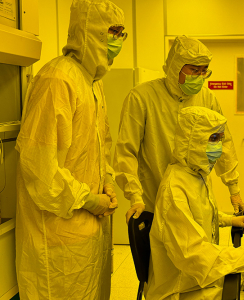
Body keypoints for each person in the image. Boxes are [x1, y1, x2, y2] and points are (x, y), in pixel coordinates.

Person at [15, 0, 126, 299]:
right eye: (111, 33)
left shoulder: (93, 83)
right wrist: (90, 200)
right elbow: (39, 168)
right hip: (57, 236)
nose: (117, 42)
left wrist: (108, 184)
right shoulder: (57, 79)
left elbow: (99, 147)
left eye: (121, 34)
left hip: (90, 230)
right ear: (89, 32)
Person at [148, 106, 244, 299]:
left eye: (220, 138)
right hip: (181, 289)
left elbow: (199, 215)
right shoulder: (174, 190)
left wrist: (230, 220)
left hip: (198, 277)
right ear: (191, 140)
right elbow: (196, 255)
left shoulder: (195, 174)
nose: (219, 147)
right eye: (213, 139)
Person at [114, 35, 244, 223]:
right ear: (175, 66)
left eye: (204, 71)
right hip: (152, 202)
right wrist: (135, 196)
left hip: (194, 200)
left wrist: (234, 189)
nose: (199, 77)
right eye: (194, 70)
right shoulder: (142, 97)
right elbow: (126, 152)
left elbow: (223, 144)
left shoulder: (207, 98)